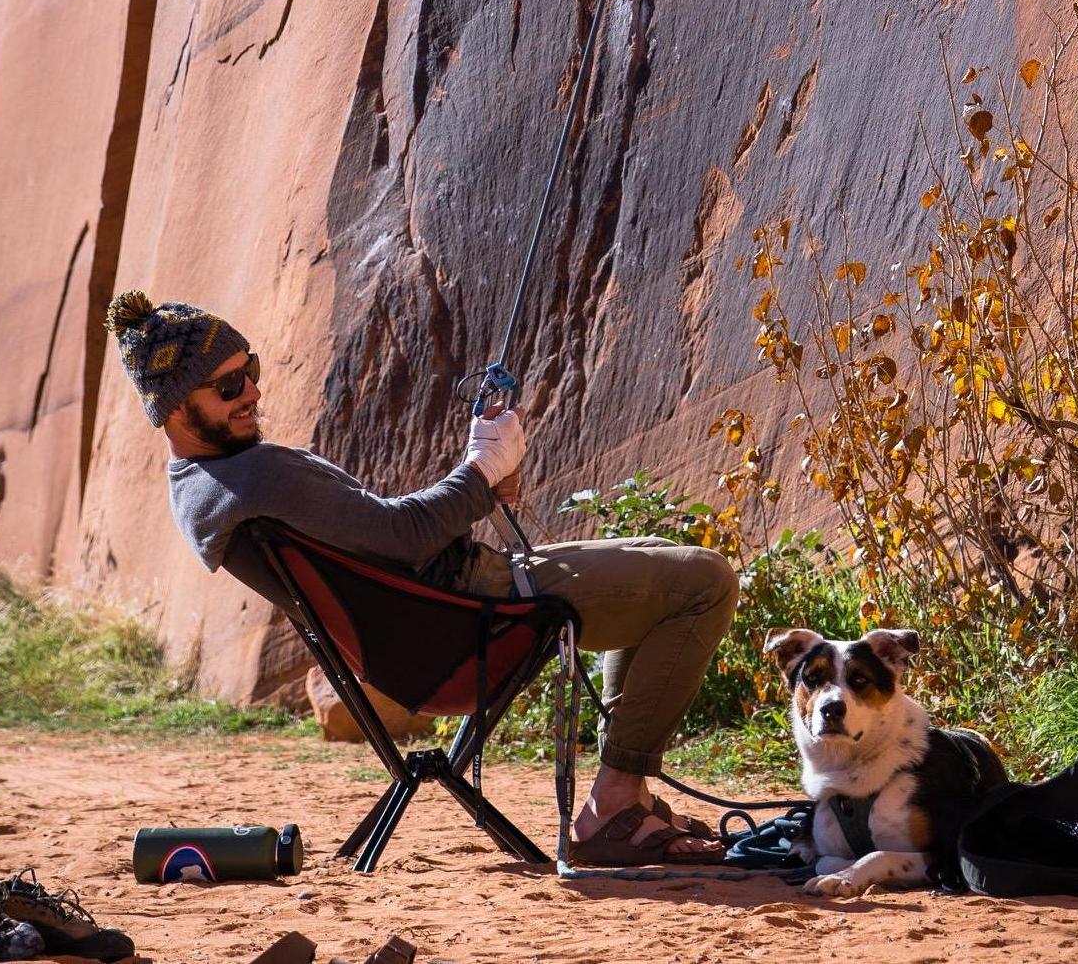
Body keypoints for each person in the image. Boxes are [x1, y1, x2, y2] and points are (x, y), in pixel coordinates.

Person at [108, 290, 738, 864]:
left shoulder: (200, 492)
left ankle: (622, 798)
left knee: (661, 556)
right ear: (174, 407)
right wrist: (483, 466)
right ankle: (617, 800)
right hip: (473, 619)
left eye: (252, 371)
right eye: (228, 386)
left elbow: (383, 539)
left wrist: (481, 481)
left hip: (433, 624)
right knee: (704, 581)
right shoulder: (257, 477)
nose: (251, 392)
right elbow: (404, 535)